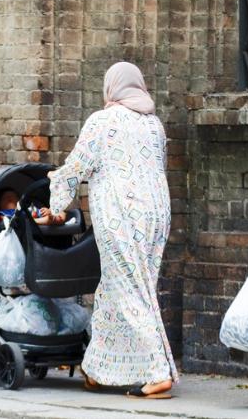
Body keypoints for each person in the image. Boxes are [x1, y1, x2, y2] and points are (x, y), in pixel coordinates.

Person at [48, 62, 178, 399]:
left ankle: (158, 372)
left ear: (111, 87)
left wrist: (57, 205)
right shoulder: (154, 125)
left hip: (120, 214)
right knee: (115, 287)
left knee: (130, 290)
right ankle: (98, 368)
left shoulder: (102, 122)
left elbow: (76, 167)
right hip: (156, 214)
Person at [0, 189, 67, 226]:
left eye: (13, 196)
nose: (9, 198)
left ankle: (53, 216)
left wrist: (48, 211)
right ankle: (48, 220)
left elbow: (39, 212)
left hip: (37, 218)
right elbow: (7, 221)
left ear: (19, 200)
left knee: (61, 212)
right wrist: (34, 220)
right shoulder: (2, 213)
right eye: (4, 198)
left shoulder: (28, 208)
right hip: (24, 224)